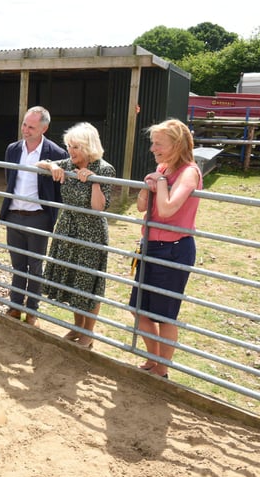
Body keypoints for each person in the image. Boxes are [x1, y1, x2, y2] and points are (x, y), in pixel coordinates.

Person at [130, 118, 202, 379]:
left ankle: (162, 369)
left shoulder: (189, 172)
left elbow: (170, 208)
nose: (153, 149)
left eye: (158, 144)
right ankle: (153, 358)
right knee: (139, 309)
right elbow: (142, 207)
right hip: (150, 246)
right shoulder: (163, 168)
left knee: (165, 315)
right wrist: (147, 186)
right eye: (153, 143)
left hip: (173, 249)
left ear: (177, 144)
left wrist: (159, 182)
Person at [37, 122, 115, 348]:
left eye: (76, 147)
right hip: (68, 227)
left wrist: (93, 183)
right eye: (69, 146)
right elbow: (39, 162)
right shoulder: (68, 163)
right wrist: (52, 166)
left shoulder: (104, 169)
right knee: (73, 277)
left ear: (89, 147)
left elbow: (99, 208)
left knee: (88, 282)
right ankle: (77, 327)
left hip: (90, 232)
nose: (71, 151)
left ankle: (88, 333)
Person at [0, 106, 68, 325]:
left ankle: (32, 311)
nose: (25, 130)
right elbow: (10, 178)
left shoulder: (56, 154)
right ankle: (15, 306)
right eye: (24, 125)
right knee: (18, 264)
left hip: (38, 216)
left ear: (44, 128)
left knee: (35, 266)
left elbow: (60, 189)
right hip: (14, 214)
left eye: (31, 127)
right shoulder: (13, 149)